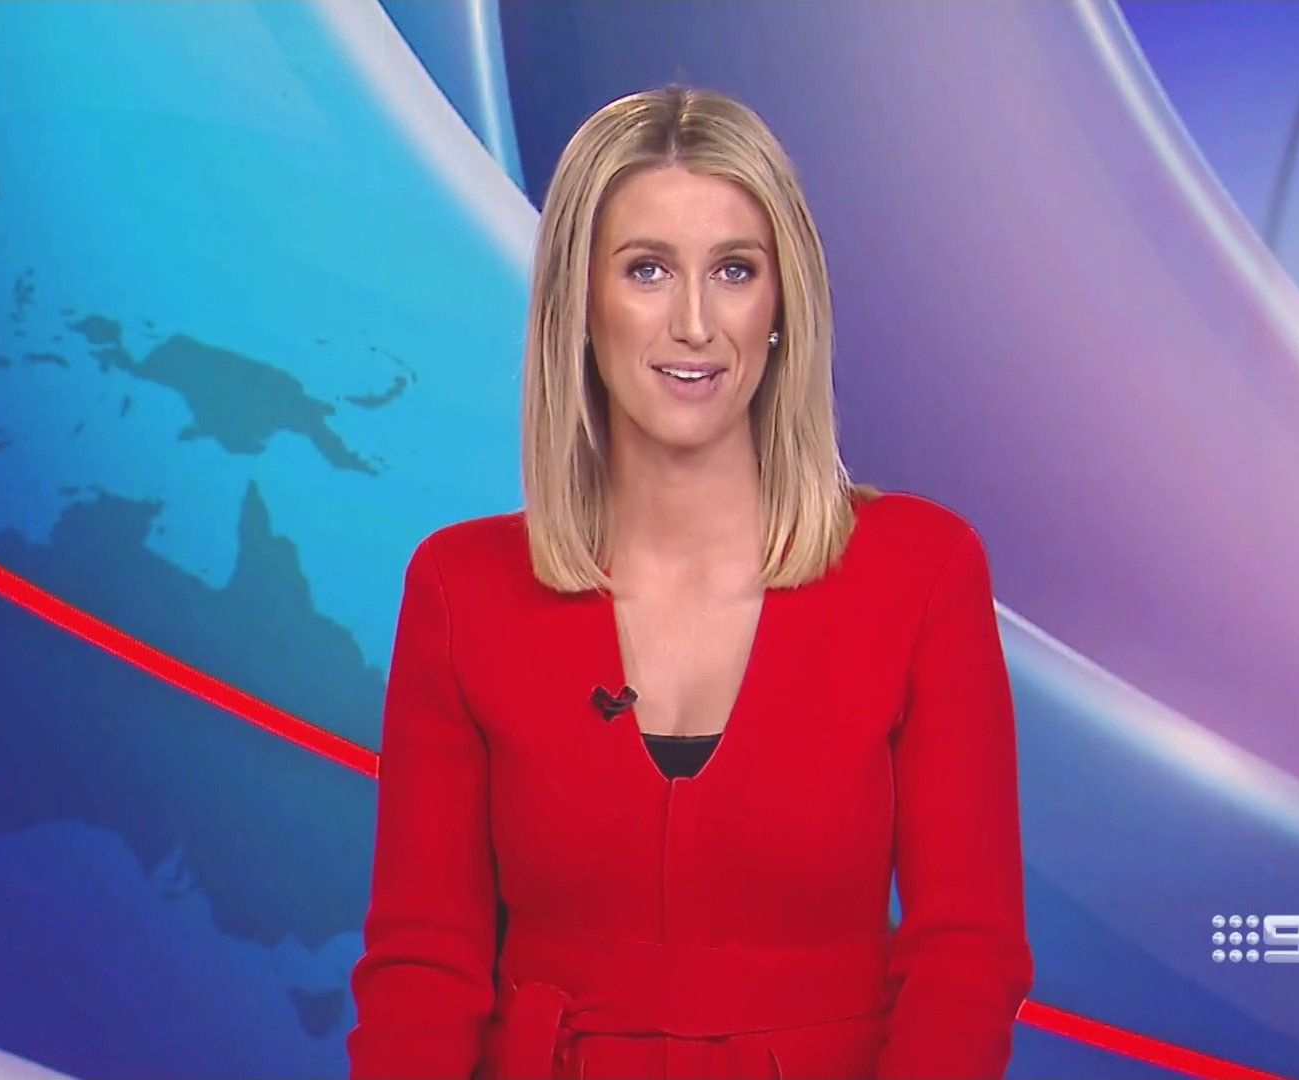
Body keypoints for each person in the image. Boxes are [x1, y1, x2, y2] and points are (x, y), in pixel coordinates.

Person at [347, 83, 1033, 1080]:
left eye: (735, 271)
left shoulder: (921, 572)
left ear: (783, 305)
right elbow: (423, 970)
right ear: (581, 307)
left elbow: (966, 955)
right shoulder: (463, 589)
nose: (696, 324)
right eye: (648, 270)